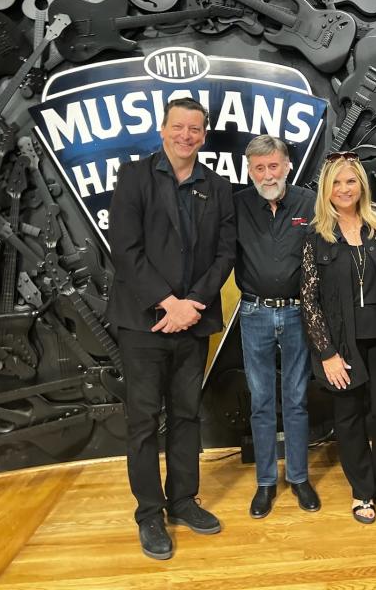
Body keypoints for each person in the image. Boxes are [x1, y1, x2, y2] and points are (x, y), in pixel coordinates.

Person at [107, 97, 235, 560]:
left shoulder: (217, 187)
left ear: (204, 135)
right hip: (144, 322)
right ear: (163, 130)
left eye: (195, 129)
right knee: (143, 421)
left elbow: (226, 252)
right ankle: (150, 513)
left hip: (193, 321)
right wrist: (167, 303)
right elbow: (124, 248)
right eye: (178, 127)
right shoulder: (134, 177)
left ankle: (183, 500)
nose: (186, 136)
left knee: (185, 415)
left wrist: (193, 304)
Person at [300, 152, 376, 524]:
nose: (344, 189)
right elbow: (309, 299)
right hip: (342, 344)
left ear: (361, 184)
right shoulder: (316, 235)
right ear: (326, 190)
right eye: (336, 182)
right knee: (348, 418)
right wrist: (327, 353)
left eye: (351, 181)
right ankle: (362, 491)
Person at [234, 134, 320, 519]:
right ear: (250, 170)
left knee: (297, 398)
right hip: (253, 313)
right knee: (261, 401)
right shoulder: (235, 206)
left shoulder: (308, 202)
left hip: (297, 313)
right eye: (259, 168)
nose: (268, 174)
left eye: (274, 165)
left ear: (287, 165)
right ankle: (265, 482)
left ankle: (299, 477)